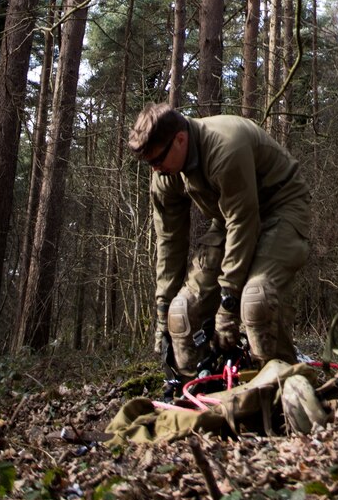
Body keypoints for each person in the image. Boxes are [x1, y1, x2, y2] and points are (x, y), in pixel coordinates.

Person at [127, 102, 313, 372]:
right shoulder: (166, 173)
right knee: (182, 312)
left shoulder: (225, 147)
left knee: (256, 299)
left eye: (157, 160)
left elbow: (244, 221)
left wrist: (228, 303)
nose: (154, 169)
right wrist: (163, 309)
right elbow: (169, 240)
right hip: (231, 218)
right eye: (149, 163)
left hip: (281, 206)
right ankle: (200, 388)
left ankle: (282, 381)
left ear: (180, 140)